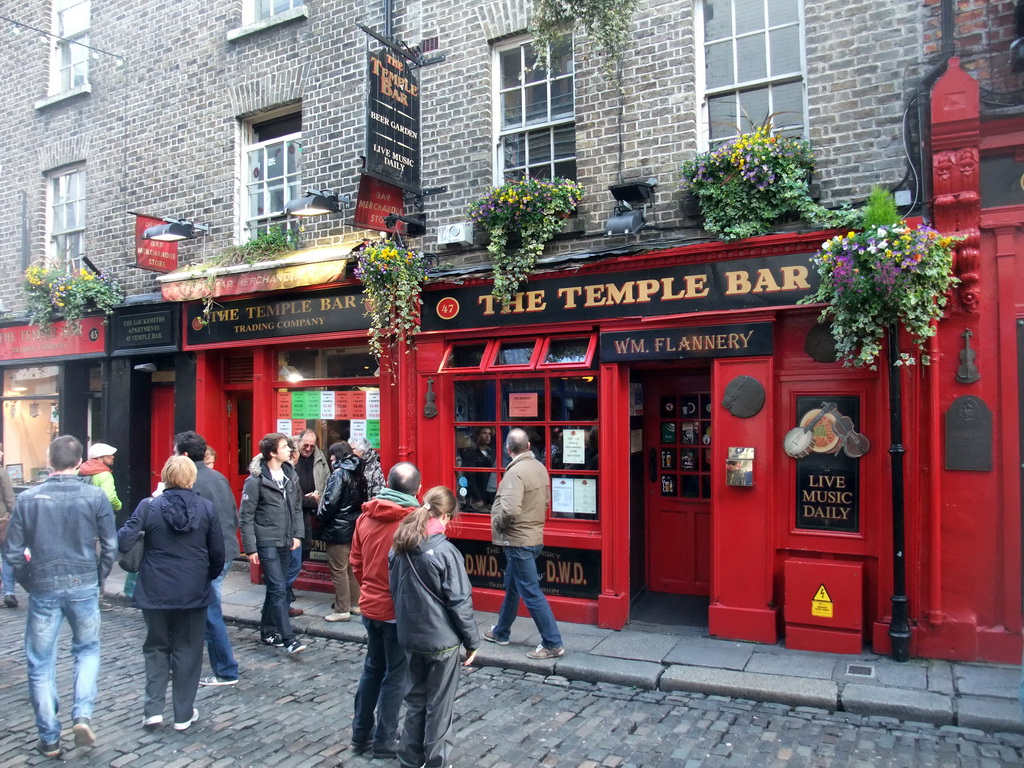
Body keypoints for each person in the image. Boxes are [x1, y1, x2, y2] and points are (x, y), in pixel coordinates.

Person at [3, 435, 116, 758]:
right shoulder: (95, 497)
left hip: (44, 585)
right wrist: (99, 577)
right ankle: (82, 714)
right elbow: (110, 546)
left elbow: (12, 553)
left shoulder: (29, 499)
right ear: (80, 463)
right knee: (87, 650)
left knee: (40, 662)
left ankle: (49, 737)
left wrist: (29, 582)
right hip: (82, 582)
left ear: (49, 462)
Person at [117, 456, 224, 732]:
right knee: (188, 651)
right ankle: (182, 713)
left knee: (156, 647)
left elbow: (123, 540)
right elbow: (217, 555)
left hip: (155, 589)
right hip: (192, 590)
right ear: (191, 478)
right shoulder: (206, 508)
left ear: (164, 477)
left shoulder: (148, 506)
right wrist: (205, 578)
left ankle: (153, 711)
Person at [390, 486, 479, 768]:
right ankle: (437, 761)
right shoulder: (445, 551)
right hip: (442, 640)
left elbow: (394, 590)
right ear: (445, 515)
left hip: (410, 635)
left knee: (415, 701)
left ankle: (409, 758)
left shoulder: (399, 545)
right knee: (439, 705)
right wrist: (472, 641)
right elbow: (459, 601)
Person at [350, 461, 421, 758]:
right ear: (417, 488)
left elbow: (356, 563)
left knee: (372, 668)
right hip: (396, 612)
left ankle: (360, 734)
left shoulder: (365, 518)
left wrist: (369, 589)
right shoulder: (412, 523)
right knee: (396, 675)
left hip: (370, 606)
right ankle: (385, 740)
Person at [484, 427, 565, 659]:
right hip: (534, 536)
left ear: (508, 450)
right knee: (512, 587)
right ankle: (501, 632)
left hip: (518, 540)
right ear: (528, 446)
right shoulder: (540, 467)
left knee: (530, 592)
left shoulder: (514, 472)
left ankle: (552, 642)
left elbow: (509, 509)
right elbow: (547, 501)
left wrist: (498, 523)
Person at [174, 431, 241, 687]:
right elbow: (232, 515)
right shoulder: (219, 478)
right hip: (223, 550)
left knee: (209, 612)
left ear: (186, 455)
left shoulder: (192, 483)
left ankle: (225, 669)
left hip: (204, 555)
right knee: (200, 609)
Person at [239, 433, 306, 654]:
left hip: (286, 540)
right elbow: (246, 516)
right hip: (266, 540)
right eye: (285, 447)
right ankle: (288, 638)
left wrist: (297, 534)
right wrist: (250, 548)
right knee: (278, 587)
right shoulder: (255, 481)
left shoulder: (290, 476)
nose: (290, 450)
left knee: (277, 588)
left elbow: (296, 507)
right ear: (272, 453)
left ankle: (268, 632)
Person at [316, 441, 366, 622]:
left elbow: (330, 502)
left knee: (338, 569)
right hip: (354, 527)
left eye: (333, 454)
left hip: (338, 528)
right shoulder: (358, 473)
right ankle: (355, 604)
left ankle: (341, 609)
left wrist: (320, 514)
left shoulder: (339, 473)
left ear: (340, 455)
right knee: (351, 568)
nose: (330, 458)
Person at [289, 429, 329, 617]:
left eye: (312, 446)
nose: (308, 449)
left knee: (305, 546)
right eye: (305, 445)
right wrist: (310, 499)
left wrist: (318, 498)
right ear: (298, 442)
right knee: (293, 550)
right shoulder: (289, 463)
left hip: (310, 509)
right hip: (296, 511)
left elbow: (326, 480)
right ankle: (285, 589)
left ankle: (285, 587)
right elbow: (292, 496)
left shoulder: (320, 457)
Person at [79, 442, 122, 611]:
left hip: (82, 521)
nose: (112, 457)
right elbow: (110, 498)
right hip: (100, 521)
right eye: (109, 455)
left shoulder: (79, 472)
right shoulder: (104, 475)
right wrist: (119, 505)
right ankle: (98, 592)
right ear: (101, 458)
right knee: (107, 552)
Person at [459, 426, 497, 511]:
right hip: (477, 495)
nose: (487, 436)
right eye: (484, 433)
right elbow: (470, 478)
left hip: (490, 495)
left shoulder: (492, 453)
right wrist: (479, 498)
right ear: (478, 435)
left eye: (489, 434)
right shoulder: (471, 454)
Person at [0, 441, 18, 608]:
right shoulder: (2, 472)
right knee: (6, 557)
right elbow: (9, 497)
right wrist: (15, 514)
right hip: (2, 521)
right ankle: (9, 592)